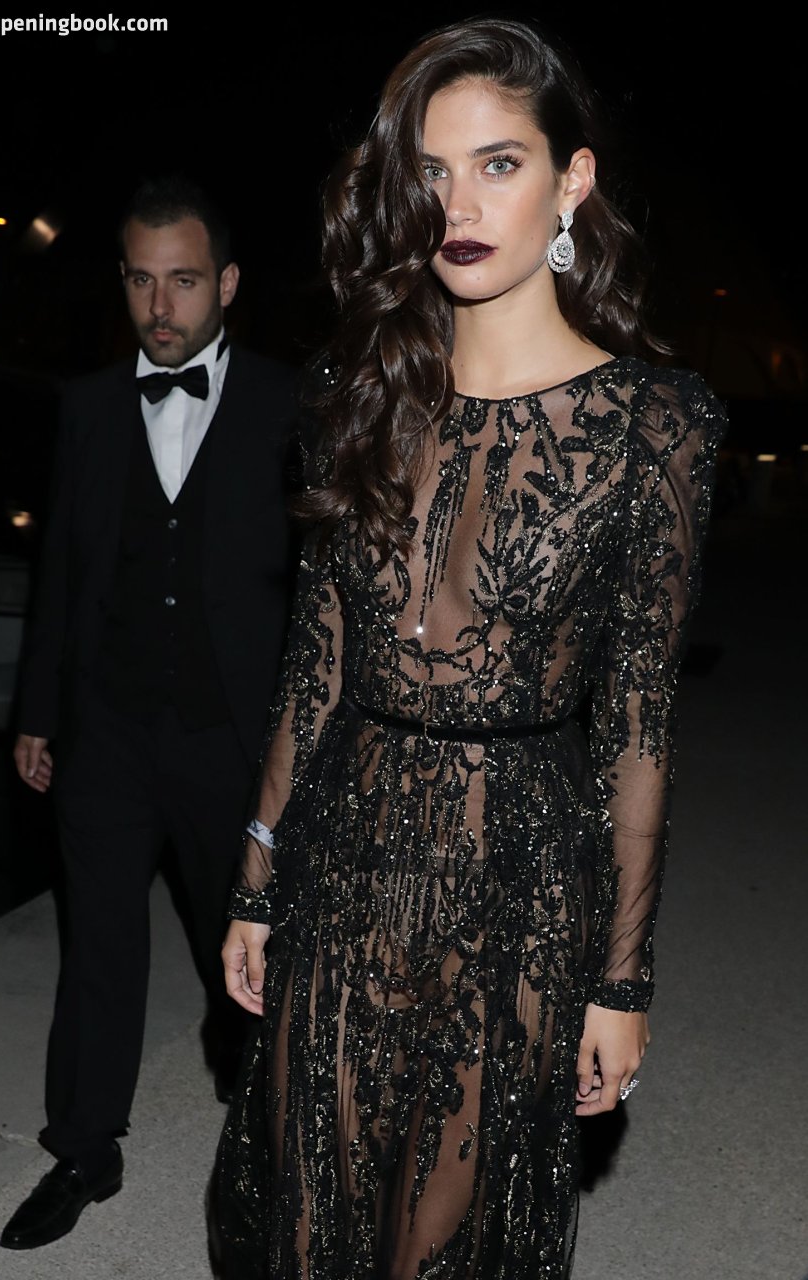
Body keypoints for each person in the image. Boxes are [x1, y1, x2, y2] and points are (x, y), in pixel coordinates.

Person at [218, 18, 725, 1279]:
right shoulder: (354, 395)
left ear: (572, 179)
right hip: (342, 857)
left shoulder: (653, 423)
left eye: (499, 163)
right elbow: (313, 667)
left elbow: (638, 724)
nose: (458, 204)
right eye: (431, 171)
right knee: (310, 1228)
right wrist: (256, 880)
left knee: (435, 1250)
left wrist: (620, 979)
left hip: (519, 883)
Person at [0, 177, 298, 1251]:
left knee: (250, 947)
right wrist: (38, 711)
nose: (159, 305)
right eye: (140, 280)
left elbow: (321, 588)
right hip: (109, 730)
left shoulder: (288, 402)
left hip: (234, 733)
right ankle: (85, 1147)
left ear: (227, 283)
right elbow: (63, 569)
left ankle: (265, 1139)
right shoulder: (86, 407)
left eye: (182, 281)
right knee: (97, 944)